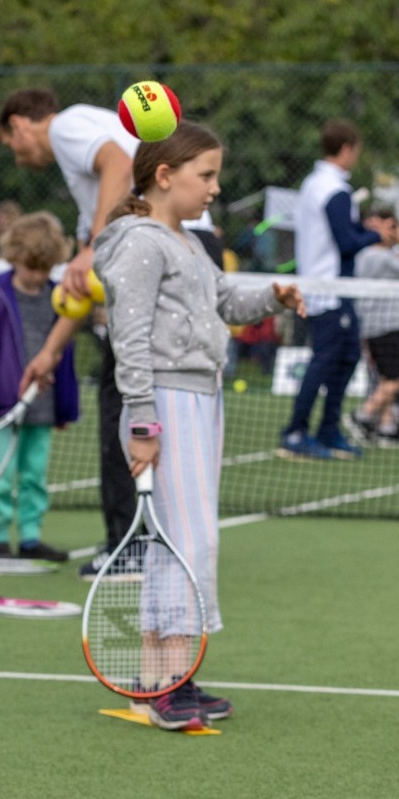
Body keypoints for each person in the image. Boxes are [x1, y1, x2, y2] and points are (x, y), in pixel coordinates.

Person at [93, 121, 304, 728]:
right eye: (205, 175)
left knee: (176, 543)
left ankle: (160, 679)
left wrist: (274, 297)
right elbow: (128, 338)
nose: (215, 187)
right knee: (189, 543)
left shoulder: (185, 240)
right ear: (164, 176)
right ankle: (169, 688)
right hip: (164, 402)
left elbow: (226, 305)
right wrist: (141, 419)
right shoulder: (139, 243)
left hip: (200, 400)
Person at [0, 87, 140, 580]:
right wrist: (51, 353)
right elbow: (81, 288)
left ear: (21, 124)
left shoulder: (69, 125)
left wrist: (92, 248)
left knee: (124, 411)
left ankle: (130, 546)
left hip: (150, 258)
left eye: (10, 144)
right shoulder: (90, 192)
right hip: (152, 254)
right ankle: (140, 541)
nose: (16, 156)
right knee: (133, 406)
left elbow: (119, 162)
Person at [0, 211, 78, 562]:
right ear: (14, 258)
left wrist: (64, 407)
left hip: (42, 409)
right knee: (0, 476)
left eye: (45, 268)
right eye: (31, 267)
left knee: (34, 477)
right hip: (2, 407)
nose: (37, 276)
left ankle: (30, 537)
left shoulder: (61, 298)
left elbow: (65, 356)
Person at [278, 119, 380, 461]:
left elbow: (341, 232)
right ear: (347, 148)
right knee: (323, 361)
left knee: (347, 357)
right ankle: (295, 431)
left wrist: (366, 228)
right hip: (329, 290)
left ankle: (328, 430)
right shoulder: (334, 189)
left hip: (327, 287)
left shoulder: (313, 184)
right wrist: (378, 236)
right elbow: (347, 242)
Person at [347, 209, 399, 447]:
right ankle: (363, 415)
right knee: (397, 377)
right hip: (385, 324)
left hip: (375, 323)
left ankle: (386, 426)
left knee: (385, 377)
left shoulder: (371, 255)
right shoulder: (379, 256)